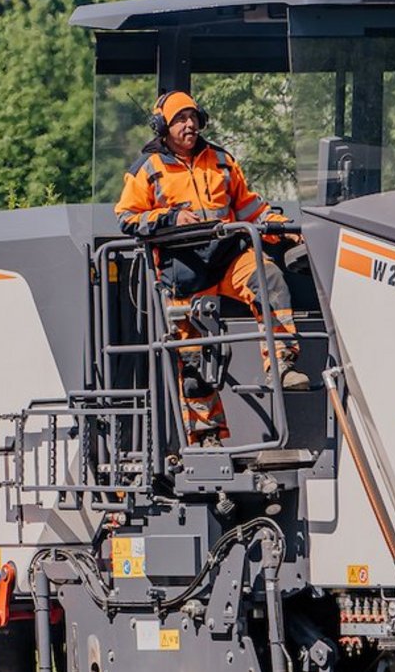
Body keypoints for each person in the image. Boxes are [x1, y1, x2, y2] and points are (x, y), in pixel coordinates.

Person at [115, 90, 308, 443]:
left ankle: (281, 364)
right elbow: (128, 218)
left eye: (193, 118)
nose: (189, 125)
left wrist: (284, 230)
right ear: (162, 127)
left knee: (269, 278)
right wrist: (172, 218)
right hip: (183, 272)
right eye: (180, 120)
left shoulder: (221, 160)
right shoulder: (147, 170)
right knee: (191, 361)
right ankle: (206, 435)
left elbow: (249, 207)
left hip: (229, 258)